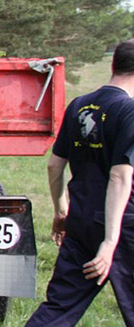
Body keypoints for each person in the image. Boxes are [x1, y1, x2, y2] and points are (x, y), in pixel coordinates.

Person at [26, 40, 134, 325]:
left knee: (59, 308)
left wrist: (62, 211)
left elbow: (54, 165)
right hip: (123, 225)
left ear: (113, 65)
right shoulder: (129, 111)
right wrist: (110, 242)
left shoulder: (79, 105)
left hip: (81, 222)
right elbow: (120, 176)